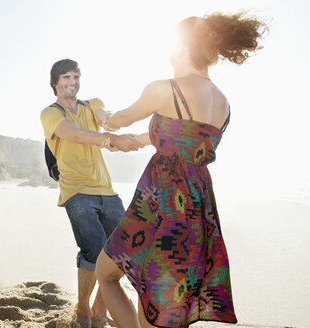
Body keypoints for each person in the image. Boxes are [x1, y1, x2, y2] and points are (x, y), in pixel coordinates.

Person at [95, 12, 267, 328]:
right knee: (168, 299)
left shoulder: (164, 88)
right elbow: (181, 138)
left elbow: (117, 119)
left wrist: (102, 113)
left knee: (108, 275)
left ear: (182, 46)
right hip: (198, 203)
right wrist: (133, 140)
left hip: (161, 199)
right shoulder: (223, 103)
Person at [40, 59, 144, 327]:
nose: (72, 81)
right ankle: (83, 307)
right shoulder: (50, 113)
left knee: (123, 250)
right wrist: (109, 141)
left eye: (76, 76)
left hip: (106, 191)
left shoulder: (91, 103)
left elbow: (104, 116)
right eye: (66, 77)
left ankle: (100, 305)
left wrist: (112, 123)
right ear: (55, 82)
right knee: (95, 250)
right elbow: (73, 133)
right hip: (77, 190)